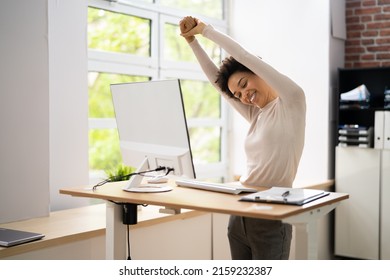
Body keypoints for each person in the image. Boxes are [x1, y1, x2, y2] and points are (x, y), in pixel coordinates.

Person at [179, 16, 306, 260]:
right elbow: (218, 85)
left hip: (271, 217)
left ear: (256, 70)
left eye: (244, 84)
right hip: (239, 216)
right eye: (238, 94)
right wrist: (191, 41)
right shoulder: (255, 114)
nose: (244, 96)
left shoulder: (292, 100)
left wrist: (206, 31)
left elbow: (244, 56)